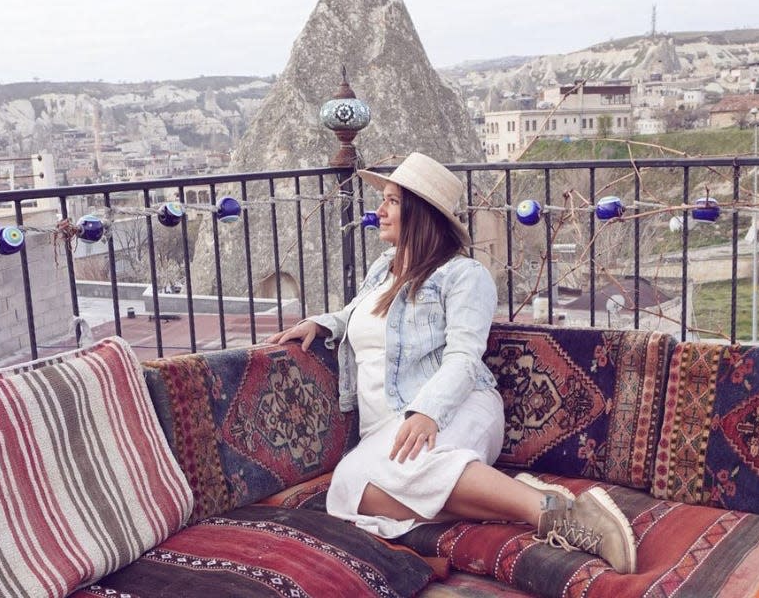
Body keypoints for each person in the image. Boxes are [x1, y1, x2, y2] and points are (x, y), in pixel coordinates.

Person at [267, 152, 637, 574]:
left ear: (420, 214)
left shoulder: (464, 275)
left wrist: (429, 412)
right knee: (347, 491)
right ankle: (508, 497)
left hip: (457, 407)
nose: (379, 210)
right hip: (390, 426)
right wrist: (320, 323)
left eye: (392, 201)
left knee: (389, 480)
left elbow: (464, 354)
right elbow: (358, 314)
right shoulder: (381, 271)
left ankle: (553, 510)